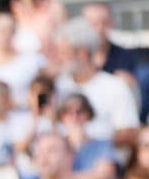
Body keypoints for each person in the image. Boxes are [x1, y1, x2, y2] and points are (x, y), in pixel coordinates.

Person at [53, 18, 140, 148]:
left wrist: (91, 145)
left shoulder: (114, 86)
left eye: (63, 53)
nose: (58, 59)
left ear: (82, 53)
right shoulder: (58, 86)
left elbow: (129, 133)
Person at [55, 93, 118, 179]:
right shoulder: (56, 145)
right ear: (62, 116)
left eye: (79, 112)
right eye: (68, 112)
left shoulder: (103, 144)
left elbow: (103, 176)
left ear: (88, 114)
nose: (74, 116)